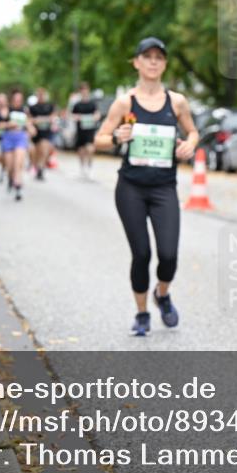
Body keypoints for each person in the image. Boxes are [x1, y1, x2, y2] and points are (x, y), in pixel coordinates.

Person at [95, 37, 198, 337]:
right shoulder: (125, 102)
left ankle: (162, 294)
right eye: (147, 56)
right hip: (131, 188)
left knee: (169, 255)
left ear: (164, 64)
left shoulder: (176, 102)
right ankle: (142, 314)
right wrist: (117, 137)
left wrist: (188, 146)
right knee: (141, 254)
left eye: (159, 57)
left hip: (164, 187)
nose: (153, 61)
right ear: (136, 62)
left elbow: (193, 132)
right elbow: (99, 139)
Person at [2, 89, 32, 201]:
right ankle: (11, 179)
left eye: (20, 99)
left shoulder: (25, 110)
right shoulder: (6, 110)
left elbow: (28, 123)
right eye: (16, 99)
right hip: (8, 138)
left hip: (20, 137)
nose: (18, 101)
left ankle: (18, 187)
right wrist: (9, 124)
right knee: (10, 166)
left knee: (18, 163)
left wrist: (31, 128)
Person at [70, 82, 101, 180]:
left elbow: (97, 115)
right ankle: (82, 168)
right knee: (81, 151)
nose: (84, 92)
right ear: (80, 91)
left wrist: (93, 118)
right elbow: (72, 115)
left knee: (90, 149)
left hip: (90, 130)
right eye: (82, 90)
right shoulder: (77, 105)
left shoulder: (92, 104)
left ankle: (90, 167)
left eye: (86, 90)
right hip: (80, 130)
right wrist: (78, 117)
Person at [28, 88, 56, 181]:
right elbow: (29, 119)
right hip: (36, 133)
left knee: (45, 149)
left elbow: (53, 117)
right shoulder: (33, 108)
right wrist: (36, 121)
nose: (41, 97)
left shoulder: (50, 106)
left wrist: (46, 120)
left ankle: (41, 168)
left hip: (47, 132)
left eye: (42, 95)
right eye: (39, 95)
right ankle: (37, 166)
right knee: (37, 151)